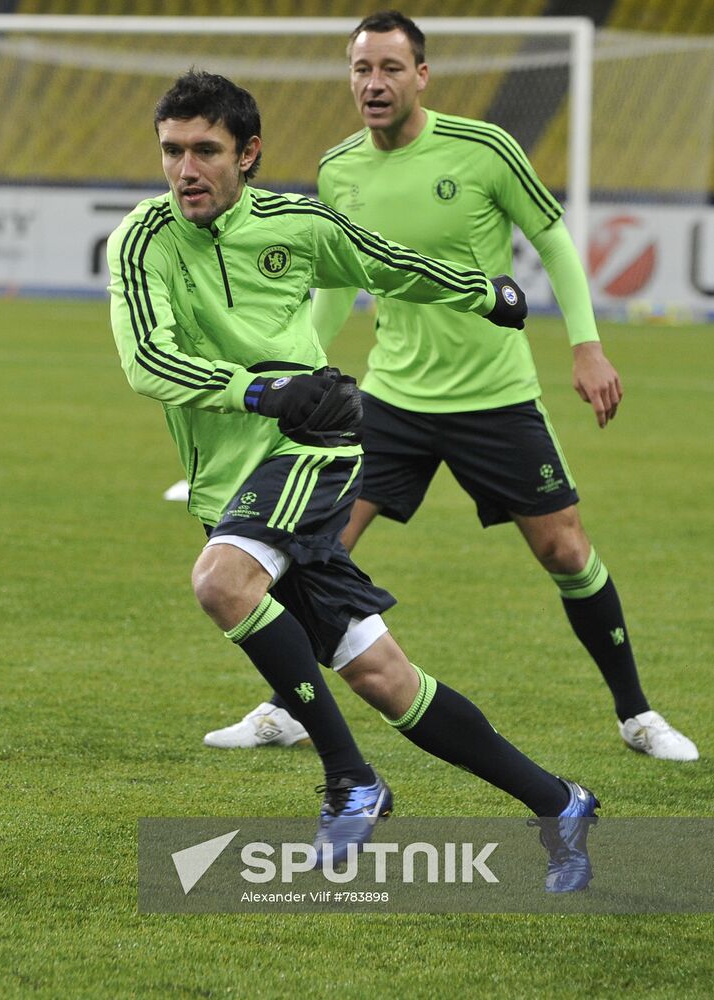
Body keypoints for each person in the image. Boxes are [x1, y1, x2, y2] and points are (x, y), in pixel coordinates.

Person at [109, 69, 599, 890]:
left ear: (248, 154)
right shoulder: (143, 239)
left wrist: (484, 291)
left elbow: (387, 262)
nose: (185, 170)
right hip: (227, 480)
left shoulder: (296, 224)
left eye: (205, 151)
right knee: (382, 677)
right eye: (171, 151)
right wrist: (260, 388)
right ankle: (559, 802)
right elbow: (148, 360)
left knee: (222, 583)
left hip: (314, 442)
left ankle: (351, 781)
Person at [209, 11, 697, 762]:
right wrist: (298, 363)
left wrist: (587, 347)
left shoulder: (482, 149)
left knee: (565, 551)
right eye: (361, 69)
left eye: (389, 68)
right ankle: (289, 705)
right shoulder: (338, 169)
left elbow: (553, 239)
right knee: (315, 549)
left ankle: (636, 714)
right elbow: (339, 283)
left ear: (421, 76)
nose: (373, 83)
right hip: (389, 401)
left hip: (494, 399)